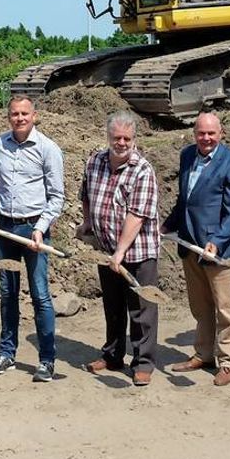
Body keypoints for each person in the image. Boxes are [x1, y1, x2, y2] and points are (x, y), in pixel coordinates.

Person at [0, 96, 65, 383]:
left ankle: (47, 360)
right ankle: (7, 352)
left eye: (24, 113)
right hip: (4, 229)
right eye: (14, 114)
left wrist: (41, 226)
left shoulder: (48, 148)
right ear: (8, 116)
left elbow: (56, 196)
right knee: (8, 293)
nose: (19, 118)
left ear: (34, 115)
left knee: (40, 295)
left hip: (34, 229)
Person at [162, 112, 230, 386]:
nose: (206, 138)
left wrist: (218, 240)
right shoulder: (187, 155)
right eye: (201, 133)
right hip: (190, 245)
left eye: (211, 133)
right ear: (194, 133)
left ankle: (227, 362)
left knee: (224, 308)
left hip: (217, 249)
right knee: (200, 306)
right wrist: (167, 226)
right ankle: (203, 354)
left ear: (220, 133)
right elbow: (184, 200)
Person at [79, 111, 160, 386]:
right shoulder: (96, 161)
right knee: (112, 306)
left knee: (141, 309)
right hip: (106, 248)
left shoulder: (142, 170)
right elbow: (86, 193)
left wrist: (120, 253)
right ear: (108, 137)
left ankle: (143, 363)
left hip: (137, 252)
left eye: (127, 138)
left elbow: (137, 216)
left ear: (134, 139)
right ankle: (113, 355)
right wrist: (88, 222)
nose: (122, 143)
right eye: (117, 137)